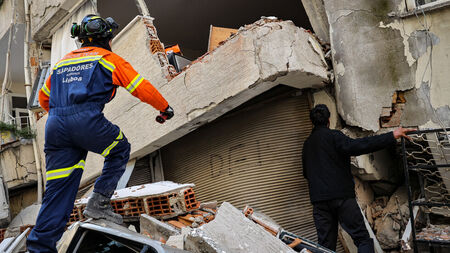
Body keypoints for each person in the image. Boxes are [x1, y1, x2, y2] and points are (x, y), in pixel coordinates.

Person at [26, 14, 174, 252]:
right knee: (119, 149)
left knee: (58, 191)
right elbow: (140, 87)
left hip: (55, 127)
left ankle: (39, 248)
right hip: (86, 120)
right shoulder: (108, 59)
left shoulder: (61, 64)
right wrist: (164, 108)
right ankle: (99, 202)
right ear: (106, 38)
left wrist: (63, 116)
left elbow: (44, 98)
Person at [302, 104, 413, 252]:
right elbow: (361, 145)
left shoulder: (307, 144)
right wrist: (392, 135)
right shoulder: (334, 137)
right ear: (329, 120)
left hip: (319, 202)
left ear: (312, 122)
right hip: (342, 198)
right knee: (362, 239)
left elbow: (306, 173)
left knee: (325, 246)